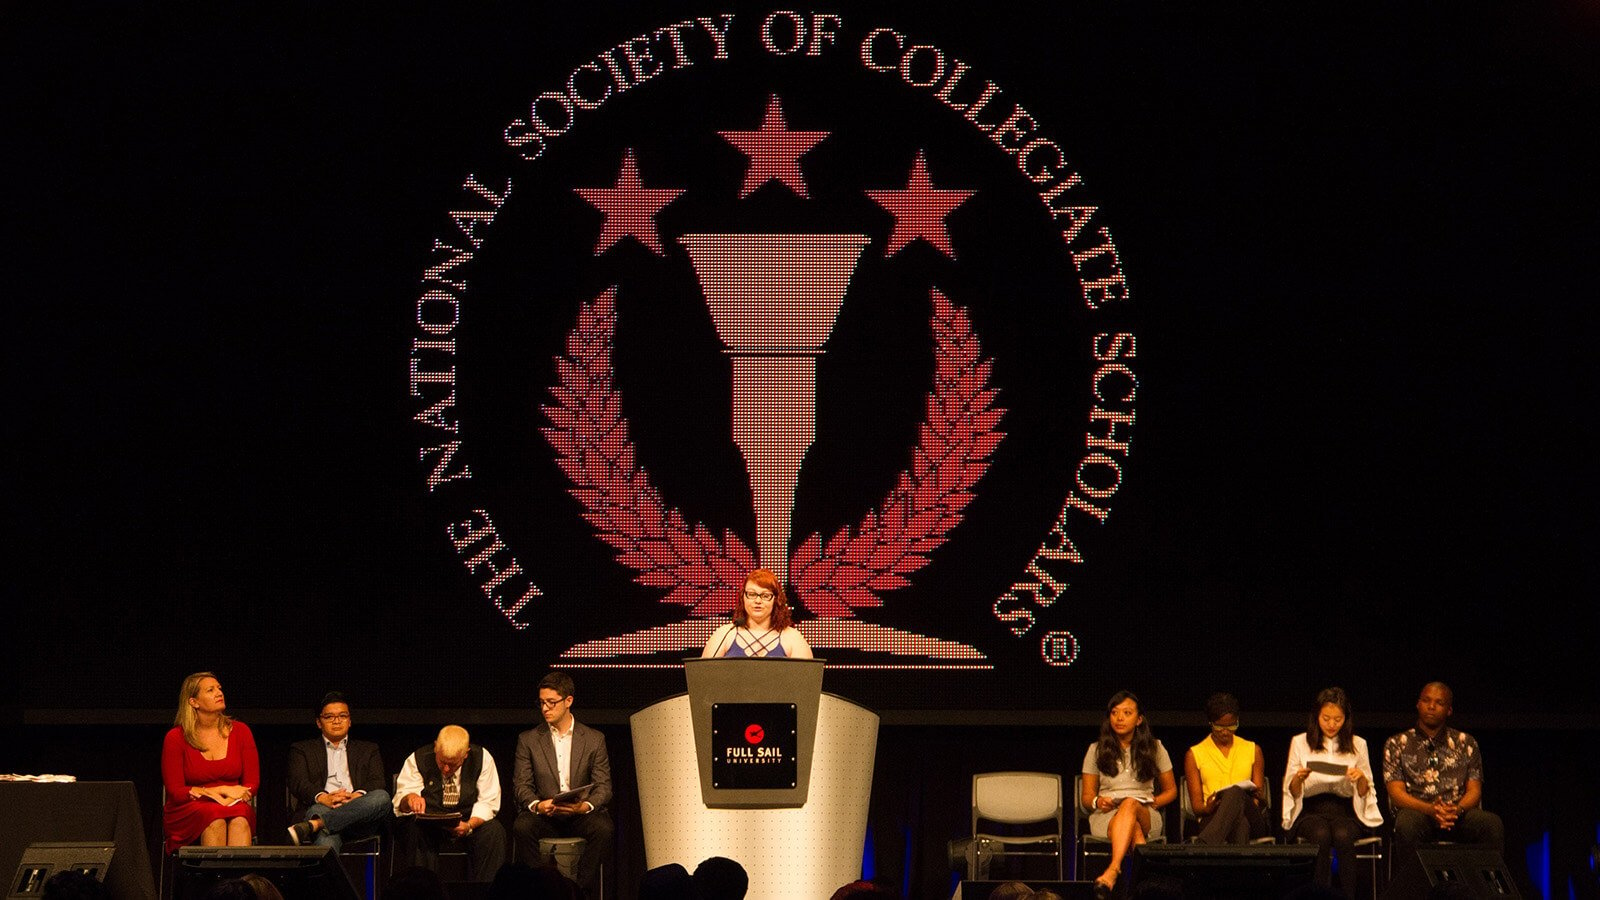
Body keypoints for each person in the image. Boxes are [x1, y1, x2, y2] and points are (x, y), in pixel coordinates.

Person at [512, 671, 614, 899]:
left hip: (579, 814)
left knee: (603, 828)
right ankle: (539, 891)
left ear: (568, 701)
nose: (545, 708)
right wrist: (538, 805)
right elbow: (521, 785)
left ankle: (579, 891)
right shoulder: (528, 739)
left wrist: (584, 806)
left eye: (551, 702)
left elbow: (603, 787)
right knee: (522, 827)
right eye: (541, 703)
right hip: (545, 814)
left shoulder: (593, 739)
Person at [1283, 687, 1382, 898]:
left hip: (1344, 811)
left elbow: (1366, 791)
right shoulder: (1300, 742)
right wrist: (1298, 778)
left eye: (1337, 719)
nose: (1331, 724)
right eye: (1326, 718)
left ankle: (1347, 896)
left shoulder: (1358, 744)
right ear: (1317, 716)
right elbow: (1291, 790)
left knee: (1342, 834)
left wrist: (1361, 778)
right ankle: (1320, 895)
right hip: (1311, 810)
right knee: (1321, 834)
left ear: (1345, 719)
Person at [1383, 682, 1504, 852]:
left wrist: (1457, 809)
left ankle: (1483, 879)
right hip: (1418, 813)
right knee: (1406, 824)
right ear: (1418, 704)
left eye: (1439, 703)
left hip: (1457, 814)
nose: (1431, 707)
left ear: (1449, 710)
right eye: (1426, 701)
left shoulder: (1466, 742)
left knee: (1492, 824)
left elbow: (1474, 790)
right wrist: (1430, 810)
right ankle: (1413, 879)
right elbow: (1396, 793)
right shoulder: (1397, 743)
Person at [1080, 690, 1177, 898]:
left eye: (1126, 712)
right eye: (1114, 713)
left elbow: (1171, 791)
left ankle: (1113, 869)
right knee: (1132, 822)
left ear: (1139, 719)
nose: (1120, 718)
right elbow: (1087, 797)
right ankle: (1148, 882)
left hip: (1146, 811)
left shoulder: (1156, 747)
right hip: (1107, 816)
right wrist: (1099, 801)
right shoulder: (1095, 750)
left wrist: (1153, 801)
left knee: (1131, 804)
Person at [393, 724, 507, 881]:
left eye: (453, 764)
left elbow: (488, 802)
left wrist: (469, 825)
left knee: (494, 831)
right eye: (442, 762)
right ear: (435, 748)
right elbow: (401, 799)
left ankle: (485, 891)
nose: (446, 769)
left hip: (466, 822)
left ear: (465, 754)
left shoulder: (482, 758)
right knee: (414, 829)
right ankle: (424, 891)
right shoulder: (419, 758)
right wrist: (411, 799)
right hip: (429, 825)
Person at [161, 672, 259, 852]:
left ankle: (240, 880)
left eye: (219, 688)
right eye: (210, 690)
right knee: (214, 817)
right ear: (193, 702)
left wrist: (228, 799)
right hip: (189, 809)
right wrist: (220, 790)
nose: (219, 693)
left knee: (241, 817)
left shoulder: (241, 731)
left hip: (233, 802)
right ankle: (214, 880)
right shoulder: (175, 738)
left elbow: (252, 783)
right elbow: (176, 791)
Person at [286, 691, 392, 849]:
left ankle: (317, 824)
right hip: (322, 806)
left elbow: (377, 781)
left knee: (382, 797)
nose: (337, 721)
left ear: (349, 721)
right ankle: (322, 825)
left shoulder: (369, 749)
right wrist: (323, 797)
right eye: (329, 717)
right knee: (327, 836)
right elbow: (297, 782)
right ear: (319, 722)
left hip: (360, 815)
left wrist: (356, 796)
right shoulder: (302, 749)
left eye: (342, 716)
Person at [1182, 692, 1266, 844]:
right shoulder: (1194, 754)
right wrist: (1208, 808)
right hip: (1213, 818)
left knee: (1236, 792)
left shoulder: (1253, 749)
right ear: (1211, 723)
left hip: (1252, 817)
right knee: (1241, 825)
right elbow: (1197, 808)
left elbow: (1257, 801)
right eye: (1220, 727)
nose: (1226, 732)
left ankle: (1205, 844)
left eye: (1232, 726)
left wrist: (1258, 796)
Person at [701, 569, 814, 658]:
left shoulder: (793, 638)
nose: (758, 601)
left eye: (765, 596)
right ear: (743, 598)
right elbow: (703, 678)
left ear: (776, 600)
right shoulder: (724, 634)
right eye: (752, 594)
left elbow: (806, 683)